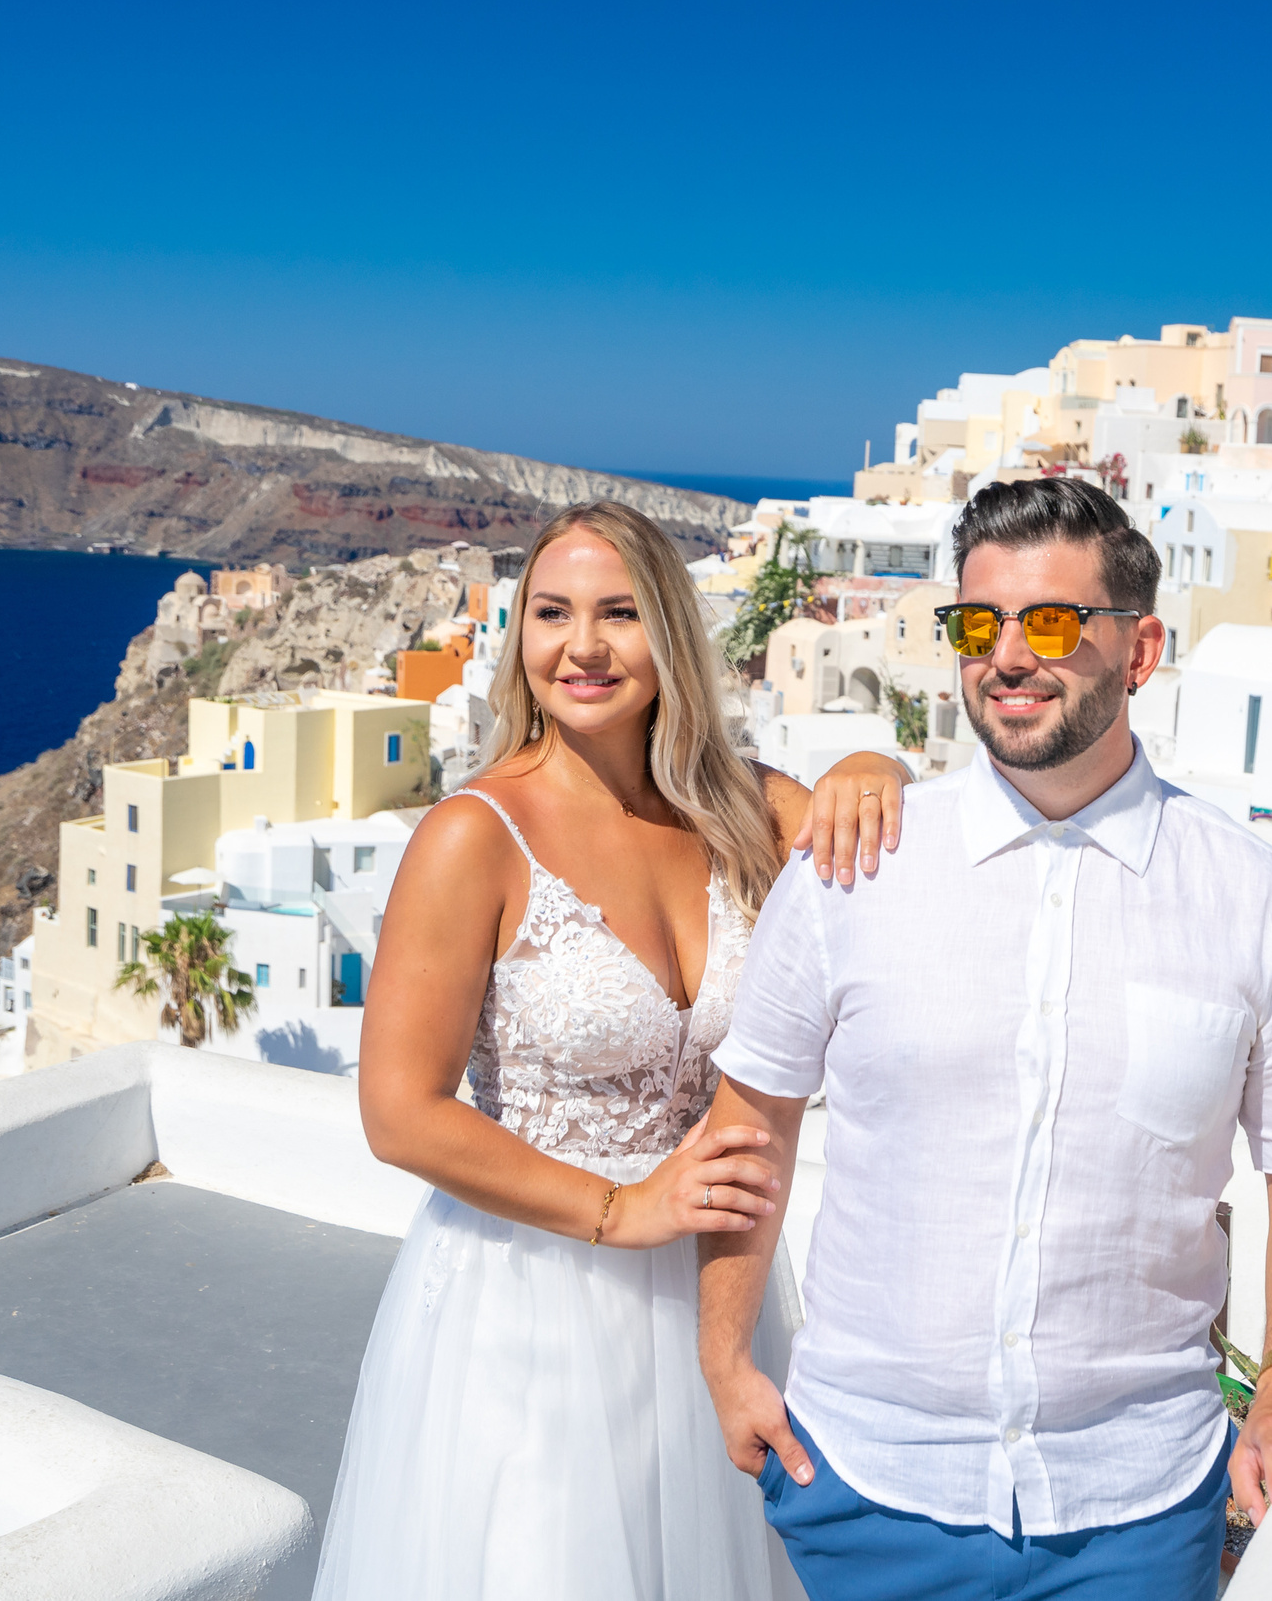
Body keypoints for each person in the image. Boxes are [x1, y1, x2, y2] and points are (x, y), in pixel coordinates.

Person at [698, 477, 1272, 1600]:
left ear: (1141, 648)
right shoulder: (850, 872)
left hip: (1134, 1507)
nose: (1008, 656)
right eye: (979, 624)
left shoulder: (1254, 901)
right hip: (862, 1488)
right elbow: (751, 1128)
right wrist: (726, 1361)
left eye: (1053, 623)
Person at [312, 502, 910, 1601]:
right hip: (532, 1301)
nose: (581, 646)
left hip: (713, 1297)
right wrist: (621, 1210)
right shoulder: (472, 836)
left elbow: (899, 864)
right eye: (551, 613)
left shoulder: (748, 811)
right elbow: (400, 1112)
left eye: (618, 613)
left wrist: (878, 761)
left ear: (670, 634)